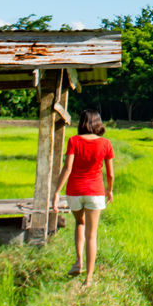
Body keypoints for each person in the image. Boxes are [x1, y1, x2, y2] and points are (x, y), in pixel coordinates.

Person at [53, 109, 115, 285]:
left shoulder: (74, 141)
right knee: (92, 235)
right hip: (95, 192)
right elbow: (110, 174)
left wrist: (57, 192)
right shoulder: (105, 144)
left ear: (82, 123)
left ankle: (78, 261)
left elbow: (67, 168)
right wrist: (110, 190)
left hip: (75, 191)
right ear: (98, 123)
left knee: (80, 223)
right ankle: (88, 279)